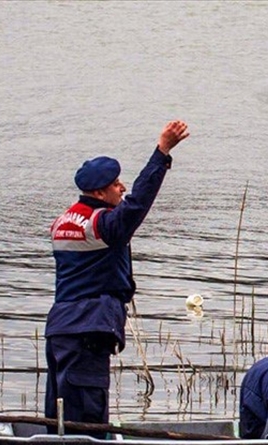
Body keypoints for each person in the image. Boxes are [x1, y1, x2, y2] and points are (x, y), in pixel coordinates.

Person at [44, 120, 190, 426]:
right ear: (99, 191)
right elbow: (138, 202)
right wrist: (162, 152)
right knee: (87, 418)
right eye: (115, 185)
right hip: (88, 329)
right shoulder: (103, 226)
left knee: (59, 413)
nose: (121, 188)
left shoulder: (62, 222)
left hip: (59, 328)